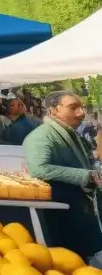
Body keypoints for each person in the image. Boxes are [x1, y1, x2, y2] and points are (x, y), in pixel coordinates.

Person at [24, 91, 102, 265]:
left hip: (79, 212)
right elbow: (39, 169)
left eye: (81, 107)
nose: (81, 113)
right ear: (53, 110)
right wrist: (86, 175)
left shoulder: (69, 132)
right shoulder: (41, 136)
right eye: (73, 108)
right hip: (63, 216)